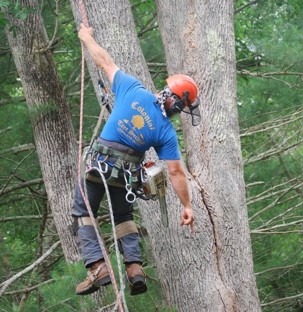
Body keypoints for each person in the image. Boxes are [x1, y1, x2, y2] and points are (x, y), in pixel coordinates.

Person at [73, 23, 200, 297]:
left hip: (98, 167)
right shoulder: (166, 132)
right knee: (123, 216)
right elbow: (176, 173)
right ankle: (134, 269)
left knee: (83, 211)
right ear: (177, 104)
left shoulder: (133, 88)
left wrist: (87, 37)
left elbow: (104, 60)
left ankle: (97, 266)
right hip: (124, 178)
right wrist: (187, 205)